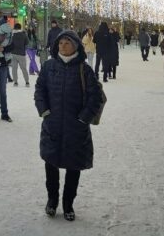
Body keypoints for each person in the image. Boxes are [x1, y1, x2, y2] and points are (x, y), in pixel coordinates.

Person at [34, 30, 103, 222]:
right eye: (60, 43)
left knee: (74, 168)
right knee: (51, 165)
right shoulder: (49, 66)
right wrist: (44, 111)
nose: (62, 46)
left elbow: (95, 97)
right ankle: (52, 200)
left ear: (76, 46)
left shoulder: (84, 69)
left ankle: (68, 204)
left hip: (76, 128)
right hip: (53, 125)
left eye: (67, 43)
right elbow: (40, 90)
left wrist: (83, 119)